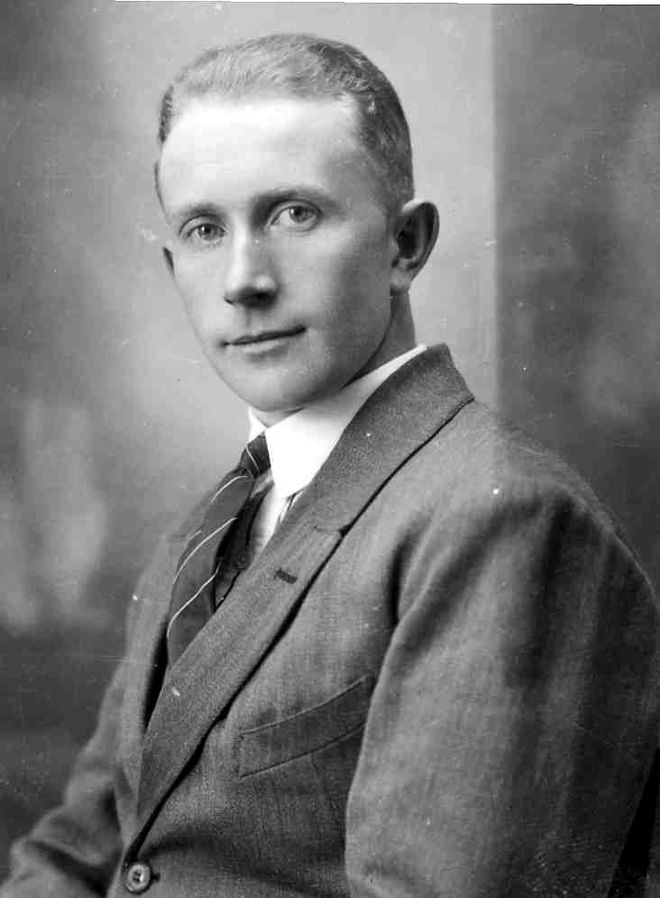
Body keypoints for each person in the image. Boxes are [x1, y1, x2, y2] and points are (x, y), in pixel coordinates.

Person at [1, 32, 658, 898]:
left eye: (294, 214)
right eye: (204, 229)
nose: (243, 279)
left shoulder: (502, 519)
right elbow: (80, 854)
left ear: (404, 245)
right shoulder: (206, 531)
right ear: (172, 265)